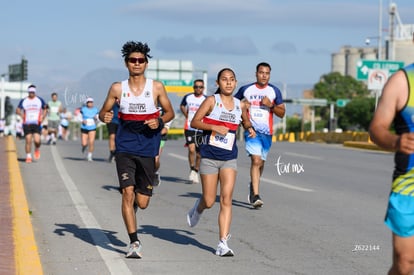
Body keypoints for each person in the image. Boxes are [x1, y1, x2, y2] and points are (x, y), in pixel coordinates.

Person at [99, 41, 174, 259]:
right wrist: (103, 117)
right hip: (125, 148)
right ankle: (134, 242)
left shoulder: (156, 87)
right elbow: (103, 113)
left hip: (148, 148)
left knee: (142, 202)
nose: (137, 64)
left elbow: (169, 113)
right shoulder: (117, 88)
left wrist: (159, 121)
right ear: (126, 63)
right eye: (133, 60)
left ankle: (134, 205)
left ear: (146, 63)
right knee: (127, 192)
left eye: (141, 60)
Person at [186, 68, 255, 257]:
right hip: (208, 157)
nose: (228, 83)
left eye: (232, 80)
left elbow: (245, 121)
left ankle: (222, 243)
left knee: (226, 199)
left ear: (235, 82)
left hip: (229, 158)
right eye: (224, 80)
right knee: (209, 200)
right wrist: (213, 126)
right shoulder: (211, 101)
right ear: (218, 83)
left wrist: (249, 128)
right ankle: (198, 208)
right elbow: (195, 122)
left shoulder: (239, 105)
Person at [369, 63, 414, 275]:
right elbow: (377, 128)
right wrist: (396, 141)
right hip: (409, 185)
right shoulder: (402, 81)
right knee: (405, 263)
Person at [234, 62, 285, 208]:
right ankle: (256, 195)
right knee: (255, 161)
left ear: (269, 75)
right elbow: (233, 104)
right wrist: (243, 107)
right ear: (256, 73)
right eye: (261, 72)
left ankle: (253, 186)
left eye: (267, 73)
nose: (264, 75)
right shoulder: (246, 89)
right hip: (252, 130)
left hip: (267, 133)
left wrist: (271, 105)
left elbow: (282, 113)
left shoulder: (274, 91)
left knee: (261, 162)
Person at [180, 79, 207, 184]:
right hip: (189, 127)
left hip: (201, 128)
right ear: (193, 88)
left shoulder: (206, 99)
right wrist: (186, 115)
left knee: (199, 153)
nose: (198, 89)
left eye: (200, 87)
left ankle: (196, 170)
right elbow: (182, 106)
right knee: (191, 149)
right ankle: (191, 168)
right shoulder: (188, 97)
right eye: (196, 87)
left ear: (203, 88)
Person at [15, 85, 47, 163]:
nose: (31, 94)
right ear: (28, 92)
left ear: (35, 92)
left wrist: (43, 116)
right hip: (27, 123)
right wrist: (21, 114)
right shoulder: (24, 100)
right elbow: (18, 109)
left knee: (37, 141)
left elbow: (45, 108)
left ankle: (36, 148)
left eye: (33, 92)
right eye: (30, 92)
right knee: (28, 139)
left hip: (37, 123)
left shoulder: (39, 100)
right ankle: (28, 156)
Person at [153, 112, 173, 187]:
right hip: (146, 134)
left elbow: (166, 128)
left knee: (155, 159)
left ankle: (155, 172)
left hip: (160, 136)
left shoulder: (165, 106)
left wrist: (157, 133)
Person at [80, 97, 99, 161]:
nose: (90, 103)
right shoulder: (83, 109)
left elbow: (98, 118)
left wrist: (96, 118)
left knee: (91, 142)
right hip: (84, 127)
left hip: (92, 127)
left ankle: (89, 155)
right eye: (89, 102)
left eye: (91, 102)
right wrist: (82, 120)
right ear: (87, 103)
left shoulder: (95, 110)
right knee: (84, 143)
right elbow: (79, 116)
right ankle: (84, 147)